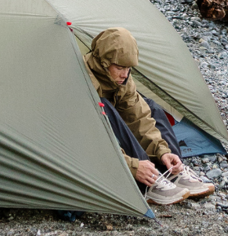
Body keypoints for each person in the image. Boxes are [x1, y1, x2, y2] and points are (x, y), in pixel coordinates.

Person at [85, 27, 215, 205]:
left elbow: (138, 118)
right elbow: (88, 139)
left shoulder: (122, 79)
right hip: (91, 139)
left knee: (150, 106)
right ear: (103, 62)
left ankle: (171, 171)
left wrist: (163, 151)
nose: (125, 74)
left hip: (111, 132)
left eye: (129, 68)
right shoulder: (84, 81)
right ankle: (148, 183)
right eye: (120, 67)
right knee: (105, 108)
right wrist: (132, 166)